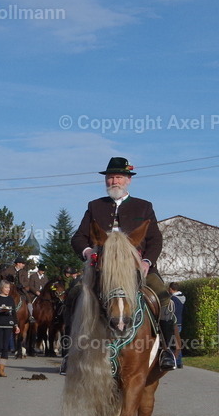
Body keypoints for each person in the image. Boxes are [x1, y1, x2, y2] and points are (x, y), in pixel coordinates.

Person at [70, 157, 177, 370]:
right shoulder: (94, 206)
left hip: (136, 268)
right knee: (72, 296)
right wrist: (89, 251)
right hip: (101, 269)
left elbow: (155, 240)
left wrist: (146, 261)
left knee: (165, 300)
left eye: (118, 177)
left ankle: (167, 351)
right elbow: (78, 238)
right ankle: (69, 353)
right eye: (110, 177)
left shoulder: (144, 207)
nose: (113, 181)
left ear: (128, 180)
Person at [58, 266, 81, 375]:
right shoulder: (76, 284)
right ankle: (67, 361)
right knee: (69, 331)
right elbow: (69, 298)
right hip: (72, 311)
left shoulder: (79, 283)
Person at [168, 281, 185, 368]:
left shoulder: (172, 300)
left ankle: (174, 361)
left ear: (171, 289)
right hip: (180, 323)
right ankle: (178, 361)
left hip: (174, 323)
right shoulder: (182, 298)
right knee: (177, 342)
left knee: (171, 343)